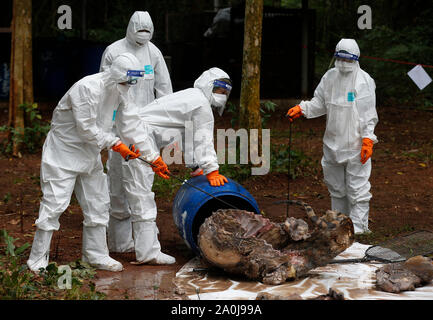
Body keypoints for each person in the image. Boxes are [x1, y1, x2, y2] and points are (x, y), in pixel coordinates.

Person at [26, 52, 148, 272]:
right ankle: (37, 259)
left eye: (131, 82)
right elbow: (86, 129)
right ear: (116, 75)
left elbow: (130, 122)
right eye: (125, 81)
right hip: (63, 153)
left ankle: (96, 255)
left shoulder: (119, 90)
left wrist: (150, 155)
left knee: (98, 203)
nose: (127, 86)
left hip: (90, 155)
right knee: (54, 204)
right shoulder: (87, 88)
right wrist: (116, 144)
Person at [111, 67, 231, 264]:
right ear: (208, 85)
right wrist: (212, 171)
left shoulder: (190, 97)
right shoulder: (201, 105)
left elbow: (188, 136)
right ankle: (148, 254)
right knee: (142, 196)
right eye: (219, 91)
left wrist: (195, 167)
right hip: (141, 140)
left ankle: (119, 242)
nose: (221, 96)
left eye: (225, 93)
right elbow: (203, 139)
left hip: (128, 134)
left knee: (121, 193)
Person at [99, 11, 173, 255]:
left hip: (146, 126)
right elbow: (104, 90)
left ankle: (146, 243)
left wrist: (163, 128)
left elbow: (164, 91)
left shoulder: (154, 53)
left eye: (147, 33)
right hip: (119, 127)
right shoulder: (113, 51)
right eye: (139, 32)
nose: (143, 37)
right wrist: (109, 131)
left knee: (143, 184)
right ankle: (120, 242)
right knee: (117, 184)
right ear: (130, 28)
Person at [287, 39, 378, 235]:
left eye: (348, 59)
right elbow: (320, 102)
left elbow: (368, 114)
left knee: (358, 189)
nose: (344, 63)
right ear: (335, 57)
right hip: (332, 144)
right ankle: (340, 225)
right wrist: (302, 109)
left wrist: (368, 139)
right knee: (336, 188)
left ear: (356, 59)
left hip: (355, 145)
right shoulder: (329, 77)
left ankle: (359, 229)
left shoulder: (364, 81)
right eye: (341, 58)